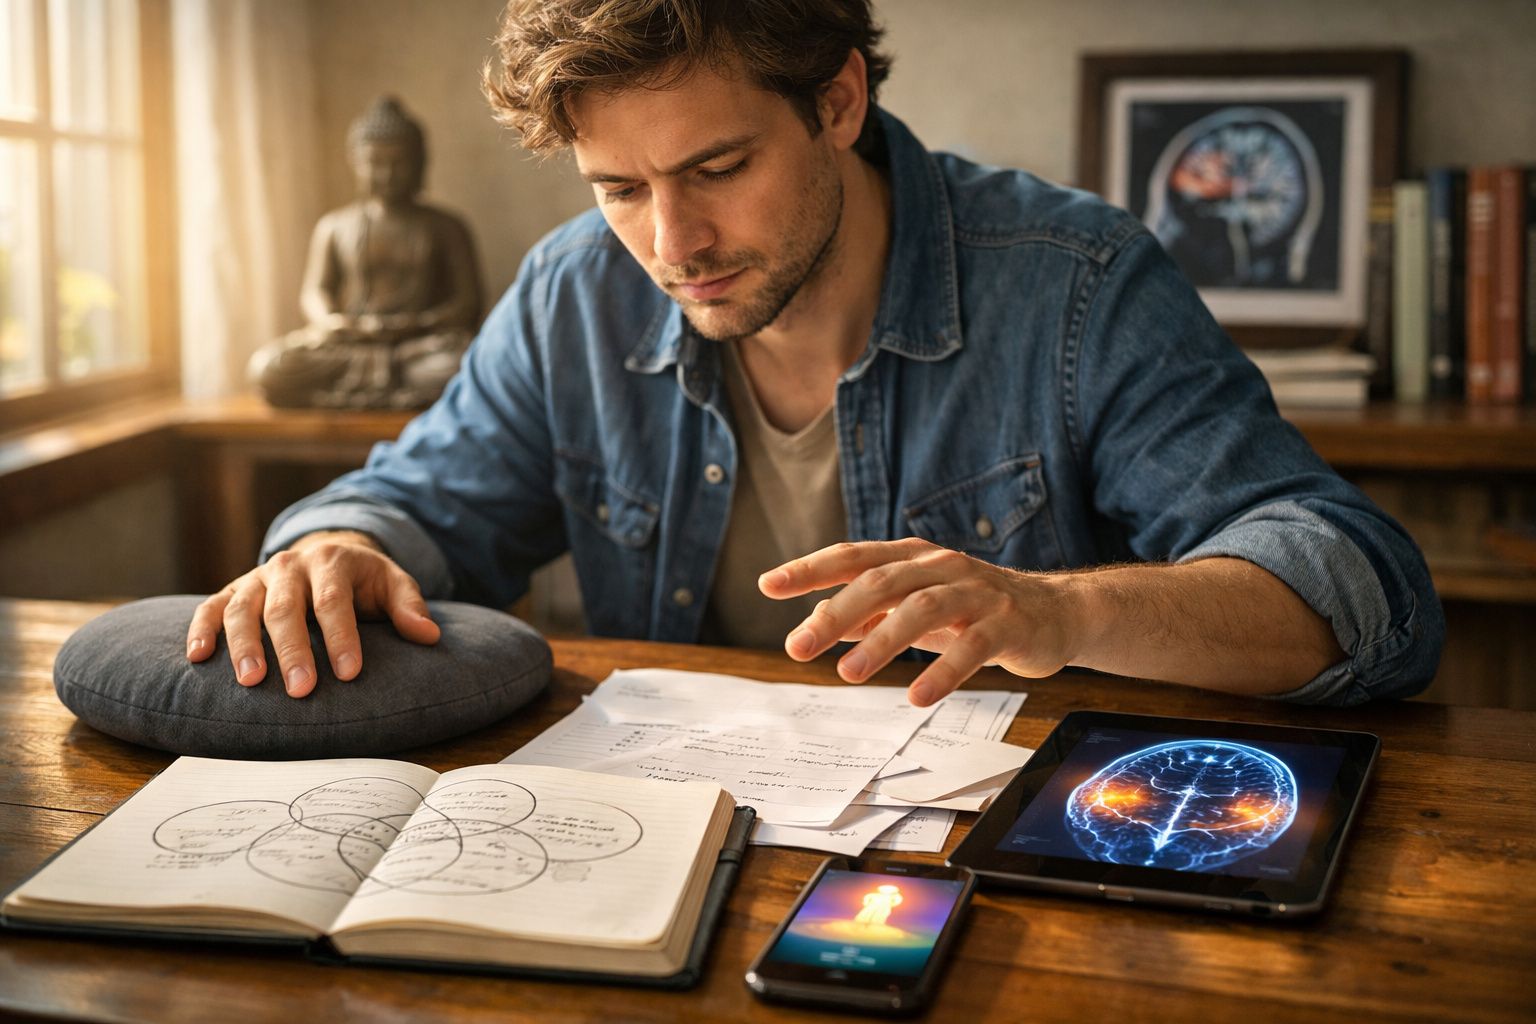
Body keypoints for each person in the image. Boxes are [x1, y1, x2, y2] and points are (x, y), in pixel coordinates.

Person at [187, 0, 1441, 710]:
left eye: (718, 168)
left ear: (838, 102)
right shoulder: (575, 290)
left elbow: (1350, 584)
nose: (672, 244)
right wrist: (336, 545)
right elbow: (417, 501)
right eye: (620, 187)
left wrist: (1057, 609)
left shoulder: (1076, 283)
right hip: (663, 848)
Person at [248, 96, 484, 409]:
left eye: (399, 164)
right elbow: (314, 292)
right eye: (376, 163)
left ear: (420, 164)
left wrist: (417, 323)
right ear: (356, 162)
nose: (387, 174)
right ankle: (395, 396)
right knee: (269, 367)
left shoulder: (446, 226)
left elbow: (468, 302)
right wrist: (333, 321)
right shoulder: (334, 225)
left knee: (466, 365)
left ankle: (356, 395)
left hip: (415, 347)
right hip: (351, 344)